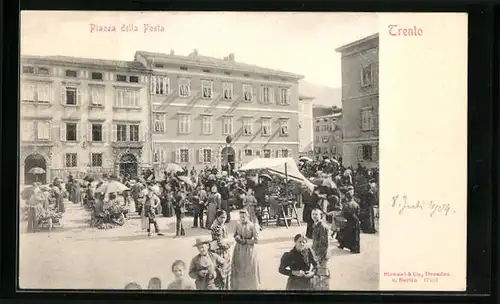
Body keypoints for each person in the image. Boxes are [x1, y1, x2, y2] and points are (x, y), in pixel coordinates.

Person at [231, 210, 260, 290]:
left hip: (248, 249)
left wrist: (246, 241)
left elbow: (257, 240)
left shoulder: (252, 225)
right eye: (240, 217)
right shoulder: (238, 224)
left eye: (243, 217)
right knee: (239, 267)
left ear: (248, 216)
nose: (242, 219)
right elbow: (235, 234)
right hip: (239, 249)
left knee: (248, 267)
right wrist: (237, 238)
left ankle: (250, 287)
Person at [210, 210, 233, 290]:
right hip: (219, 252)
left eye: (224, 217)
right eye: (221, 217)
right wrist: (229, 245)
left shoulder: (221, 225)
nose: (223, 219)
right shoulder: (216, 227)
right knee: (221, 273)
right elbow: (220, 242)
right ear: (217, 217)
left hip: (223, 251)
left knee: (225, 273)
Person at [311, 208, 330, 290]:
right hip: (317, 253)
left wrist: (319, 256)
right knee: (317, 273)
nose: (314, 216)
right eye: (313, 214)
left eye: (316, 214)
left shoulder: (322, 226)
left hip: (322, 254)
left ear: (321, 216)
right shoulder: (316, 225)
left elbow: (324, 244)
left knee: (322, 275)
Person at [338, 189, 361, 254]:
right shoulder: (356, 204)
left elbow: (343, 213)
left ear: (347, 197)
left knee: (346, 233)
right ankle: (355, 249)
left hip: (349, 221)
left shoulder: (346, 204)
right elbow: (358, 213)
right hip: (356, 221)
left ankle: (343, 245)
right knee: (355, 235)